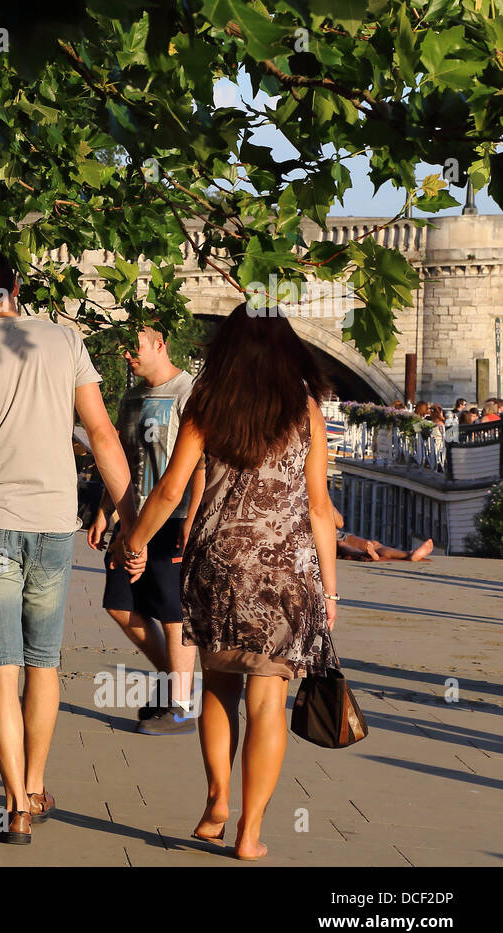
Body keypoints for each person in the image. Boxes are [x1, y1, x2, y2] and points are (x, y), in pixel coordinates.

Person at [0, 248, 139, 846]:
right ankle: (37, 783)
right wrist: (130, 520)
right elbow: (100, 433)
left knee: (0, 664)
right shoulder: (66, 342)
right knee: (44, 662)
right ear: (16, 287)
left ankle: (14, 802)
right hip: (52, 524)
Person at [122, 304, 338, 862]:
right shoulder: (305, 409)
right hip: (286, 572)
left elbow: (170, 489)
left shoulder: (209, 403)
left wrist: (137, 541)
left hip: (217, 562)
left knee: (219, 685)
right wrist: (330, 592)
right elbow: (319, 508)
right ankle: (250, 830)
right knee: (268, 700)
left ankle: (216, 801)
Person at [86, 324, 205, 734]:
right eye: (124, 350)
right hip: (133, 517)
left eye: (134, 348)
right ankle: (177, 681)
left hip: (173, 517)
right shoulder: (133, 396)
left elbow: (203, 463)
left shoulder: (188, 392)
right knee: (120, 604)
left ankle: (182, 706)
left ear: (160, 345)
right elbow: (120, 458)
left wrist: (192, 518)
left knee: (173, 613)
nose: (128, 357)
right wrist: (105, 509)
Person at [331, 503, 433, 561]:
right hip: (321, 537)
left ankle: (408, 555)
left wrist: (328, 502)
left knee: (374, 544)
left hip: (336, 533)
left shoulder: (322, 496)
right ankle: (363, 554)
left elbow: (340, 523)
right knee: (341, 545)